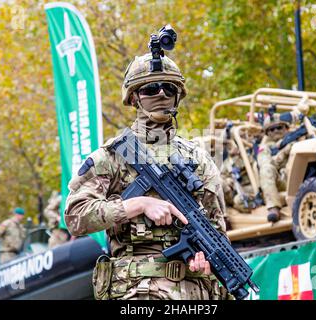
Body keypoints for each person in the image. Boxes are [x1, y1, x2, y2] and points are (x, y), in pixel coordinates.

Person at [64, 52, 229, 300]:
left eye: (168, 88)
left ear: (178, 96)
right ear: (133, 97)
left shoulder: (199, 158)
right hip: (138, 290)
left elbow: (217, 228)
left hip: (194, 292)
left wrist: (206, 258)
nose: (161, 94)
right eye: (150, 88)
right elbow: (76, 217)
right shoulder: (111, 157)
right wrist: (139, 204)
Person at [257, 110, 301, 223]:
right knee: (267, 169)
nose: (276, 130)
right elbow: (266, 164)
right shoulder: (264, 149)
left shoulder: (297, 139)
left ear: (286, 129)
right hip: (282, 183)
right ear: (268, 133)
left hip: (302, 179)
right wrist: (283, 152)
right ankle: (273, 207)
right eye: (272, 129)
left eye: (279, 127)